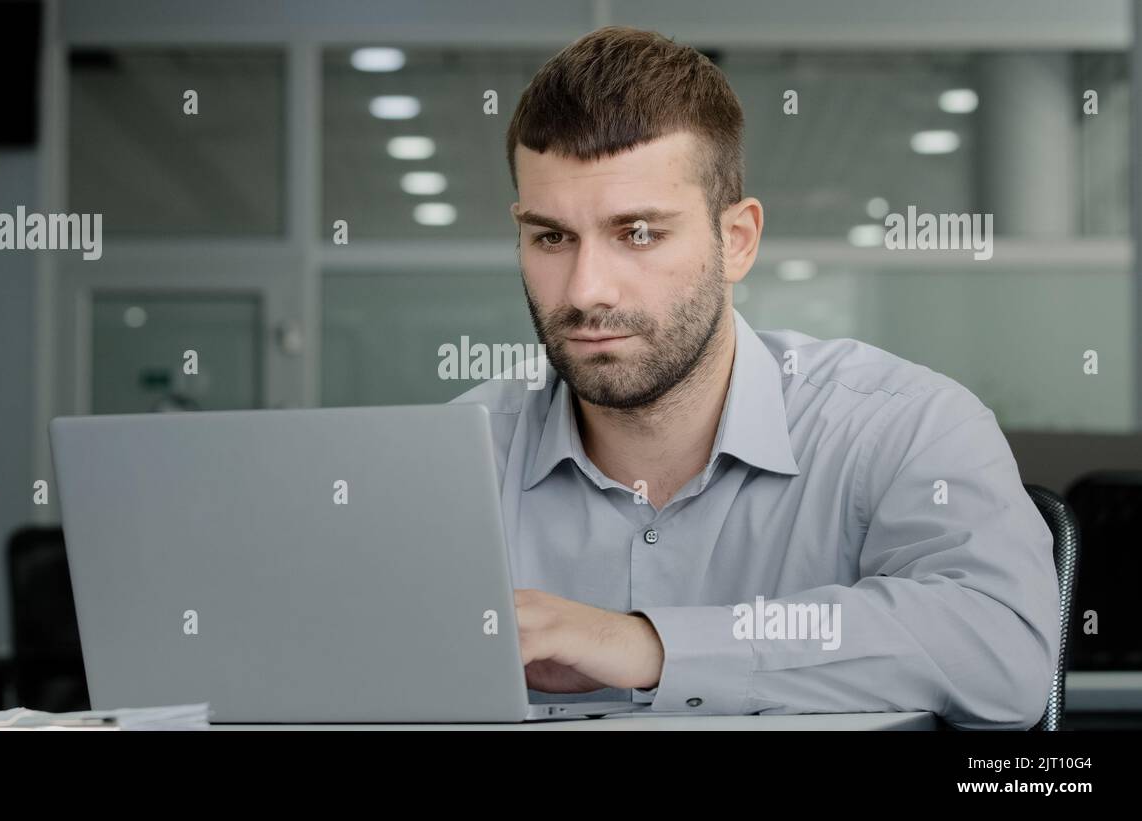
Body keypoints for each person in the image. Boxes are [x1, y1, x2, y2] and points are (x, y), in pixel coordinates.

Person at [450, 25, 1060, 729]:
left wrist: (651, 644)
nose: (587, 290)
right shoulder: (459, 457)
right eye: (552, 237)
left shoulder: (903, 425)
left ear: (736, 240)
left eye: (638, 233)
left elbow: (1003, 652)